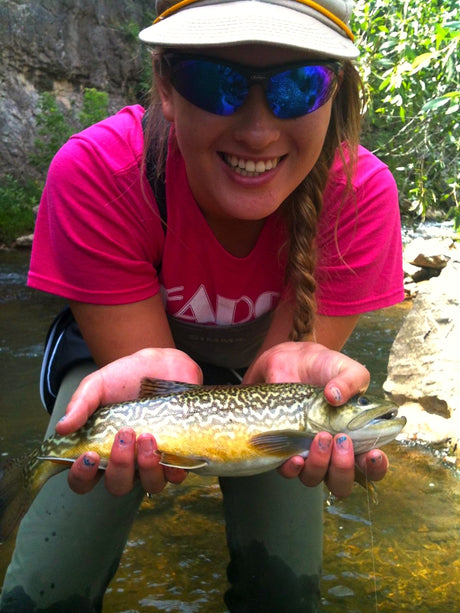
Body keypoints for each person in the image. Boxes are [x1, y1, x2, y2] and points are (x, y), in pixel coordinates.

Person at [0, 0, 404, 611]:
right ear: (166, 85)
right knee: (42, 593)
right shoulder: (96, 172)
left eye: (299, 85)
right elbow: (156, 384)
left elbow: (279, 383)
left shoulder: (361, 198)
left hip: (266, 390)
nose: (258, 131)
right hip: (130, 376)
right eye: (217, 82)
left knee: (284, 594)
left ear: (336, 92)